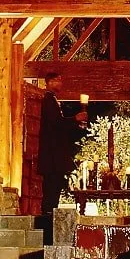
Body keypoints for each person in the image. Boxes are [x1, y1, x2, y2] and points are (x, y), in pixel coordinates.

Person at [38, 73, 86, 217]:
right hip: (52, 156)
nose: (60, 83)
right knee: (51, 189)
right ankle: (48, 217)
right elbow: (56, 124)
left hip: (54, 156)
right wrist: (75, 119)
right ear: (50, 82)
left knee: (54, 188)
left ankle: (50, 214)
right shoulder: (48, 100)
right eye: (58, 80)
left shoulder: (53, 100)